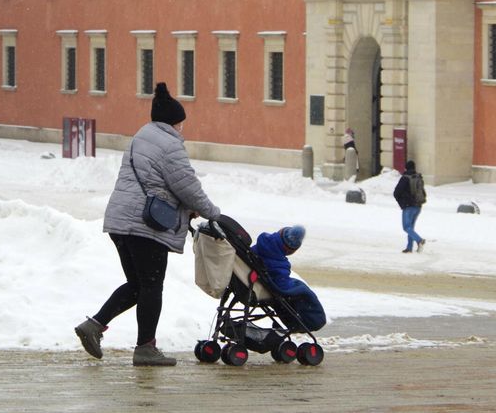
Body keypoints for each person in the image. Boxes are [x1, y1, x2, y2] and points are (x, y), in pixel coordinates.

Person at [75, 82, 221, 367]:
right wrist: (213, 213)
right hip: (145, 225)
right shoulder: (169, 145)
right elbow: (186, 185)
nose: (183, 129)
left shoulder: (142, 136)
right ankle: (145, 348)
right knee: (152, 286)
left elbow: (159, 181)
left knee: (138, 284)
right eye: (181, 123)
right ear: (173, 122)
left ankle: (94, 326)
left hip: (120, 221)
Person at [250, 225, 326, 332]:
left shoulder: (262, 244)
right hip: (264, 288)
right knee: (303, 291)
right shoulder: (280, 264)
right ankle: (311, 321)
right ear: (290, 250)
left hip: (251, 280)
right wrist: (298, 287)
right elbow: (282, 287)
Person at [393, 160, 427, 253]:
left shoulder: (405, 178)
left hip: (408, 206)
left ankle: (419, 240)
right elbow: (423, 192)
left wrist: (402, 203)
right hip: (418, 206)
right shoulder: (418, 177)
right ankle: (409, 247)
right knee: (411, 227)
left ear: (406, 168)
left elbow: (396, 192)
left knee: (406, 227)